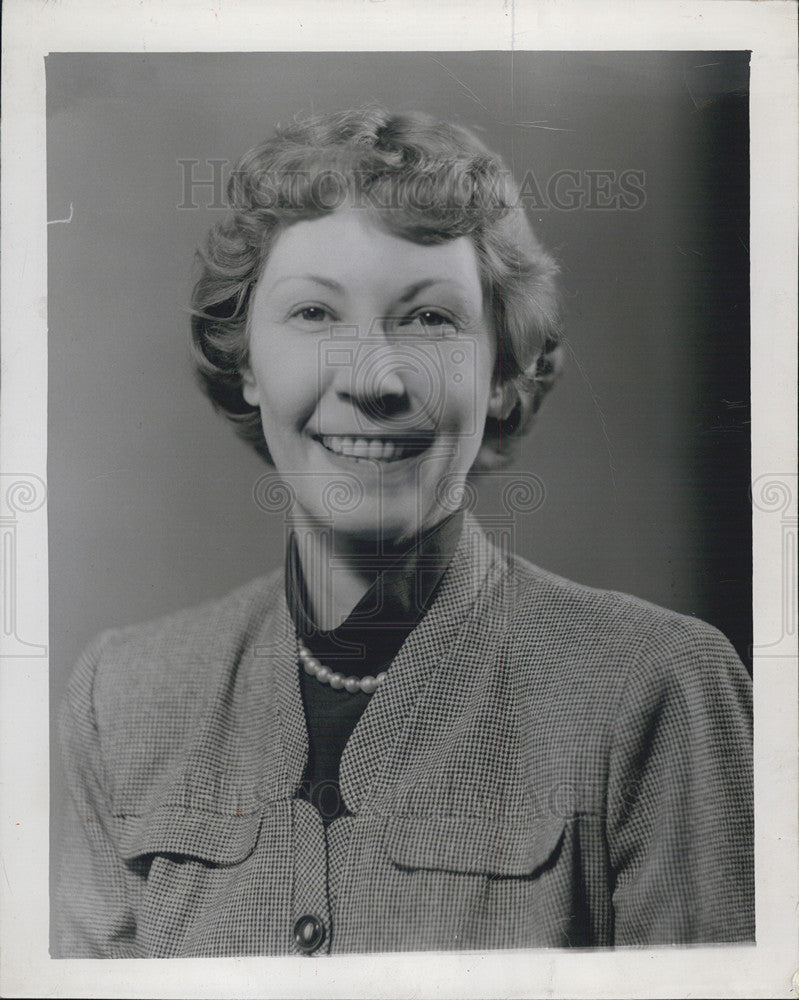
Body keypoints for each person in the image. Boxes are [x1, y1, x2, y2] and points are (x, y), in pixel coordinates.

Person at [53, 107, 753, 957]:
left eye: (428, 320)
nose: (375, 379)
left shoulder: (653, 688)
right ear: (244, 362)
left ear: (502, 370)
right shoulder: (121, 697)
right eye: (313, 314)